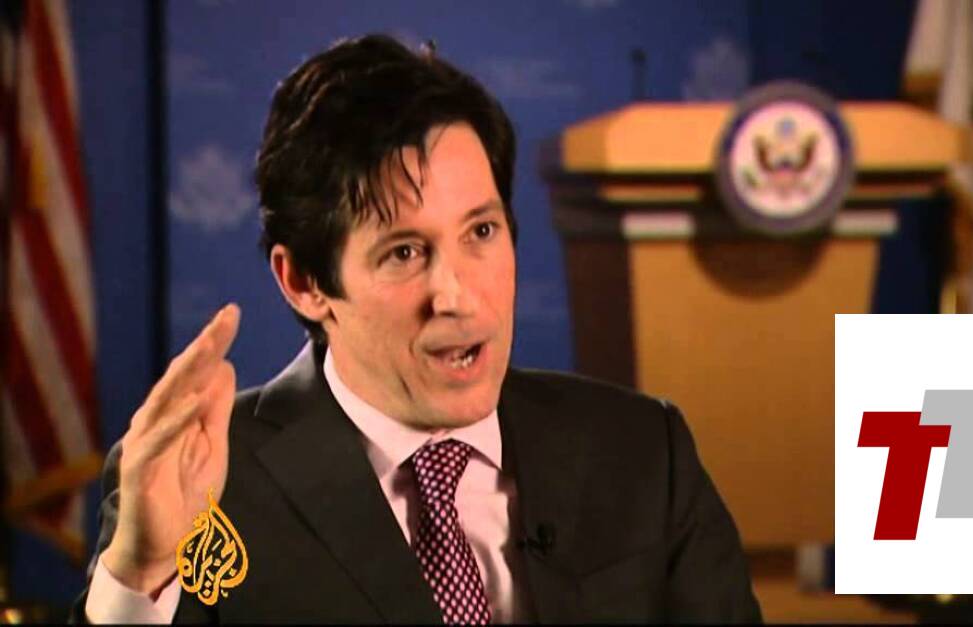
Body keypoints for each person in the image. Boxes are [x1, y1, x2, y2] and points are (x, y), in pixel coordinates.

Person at [74, 34, 762, 624]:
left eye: (481, 232)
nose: (455, 296)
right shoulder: (207, 489)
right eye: (404, 252)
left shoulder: (643, 453)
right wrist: (143, 573)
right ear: (305, 282)